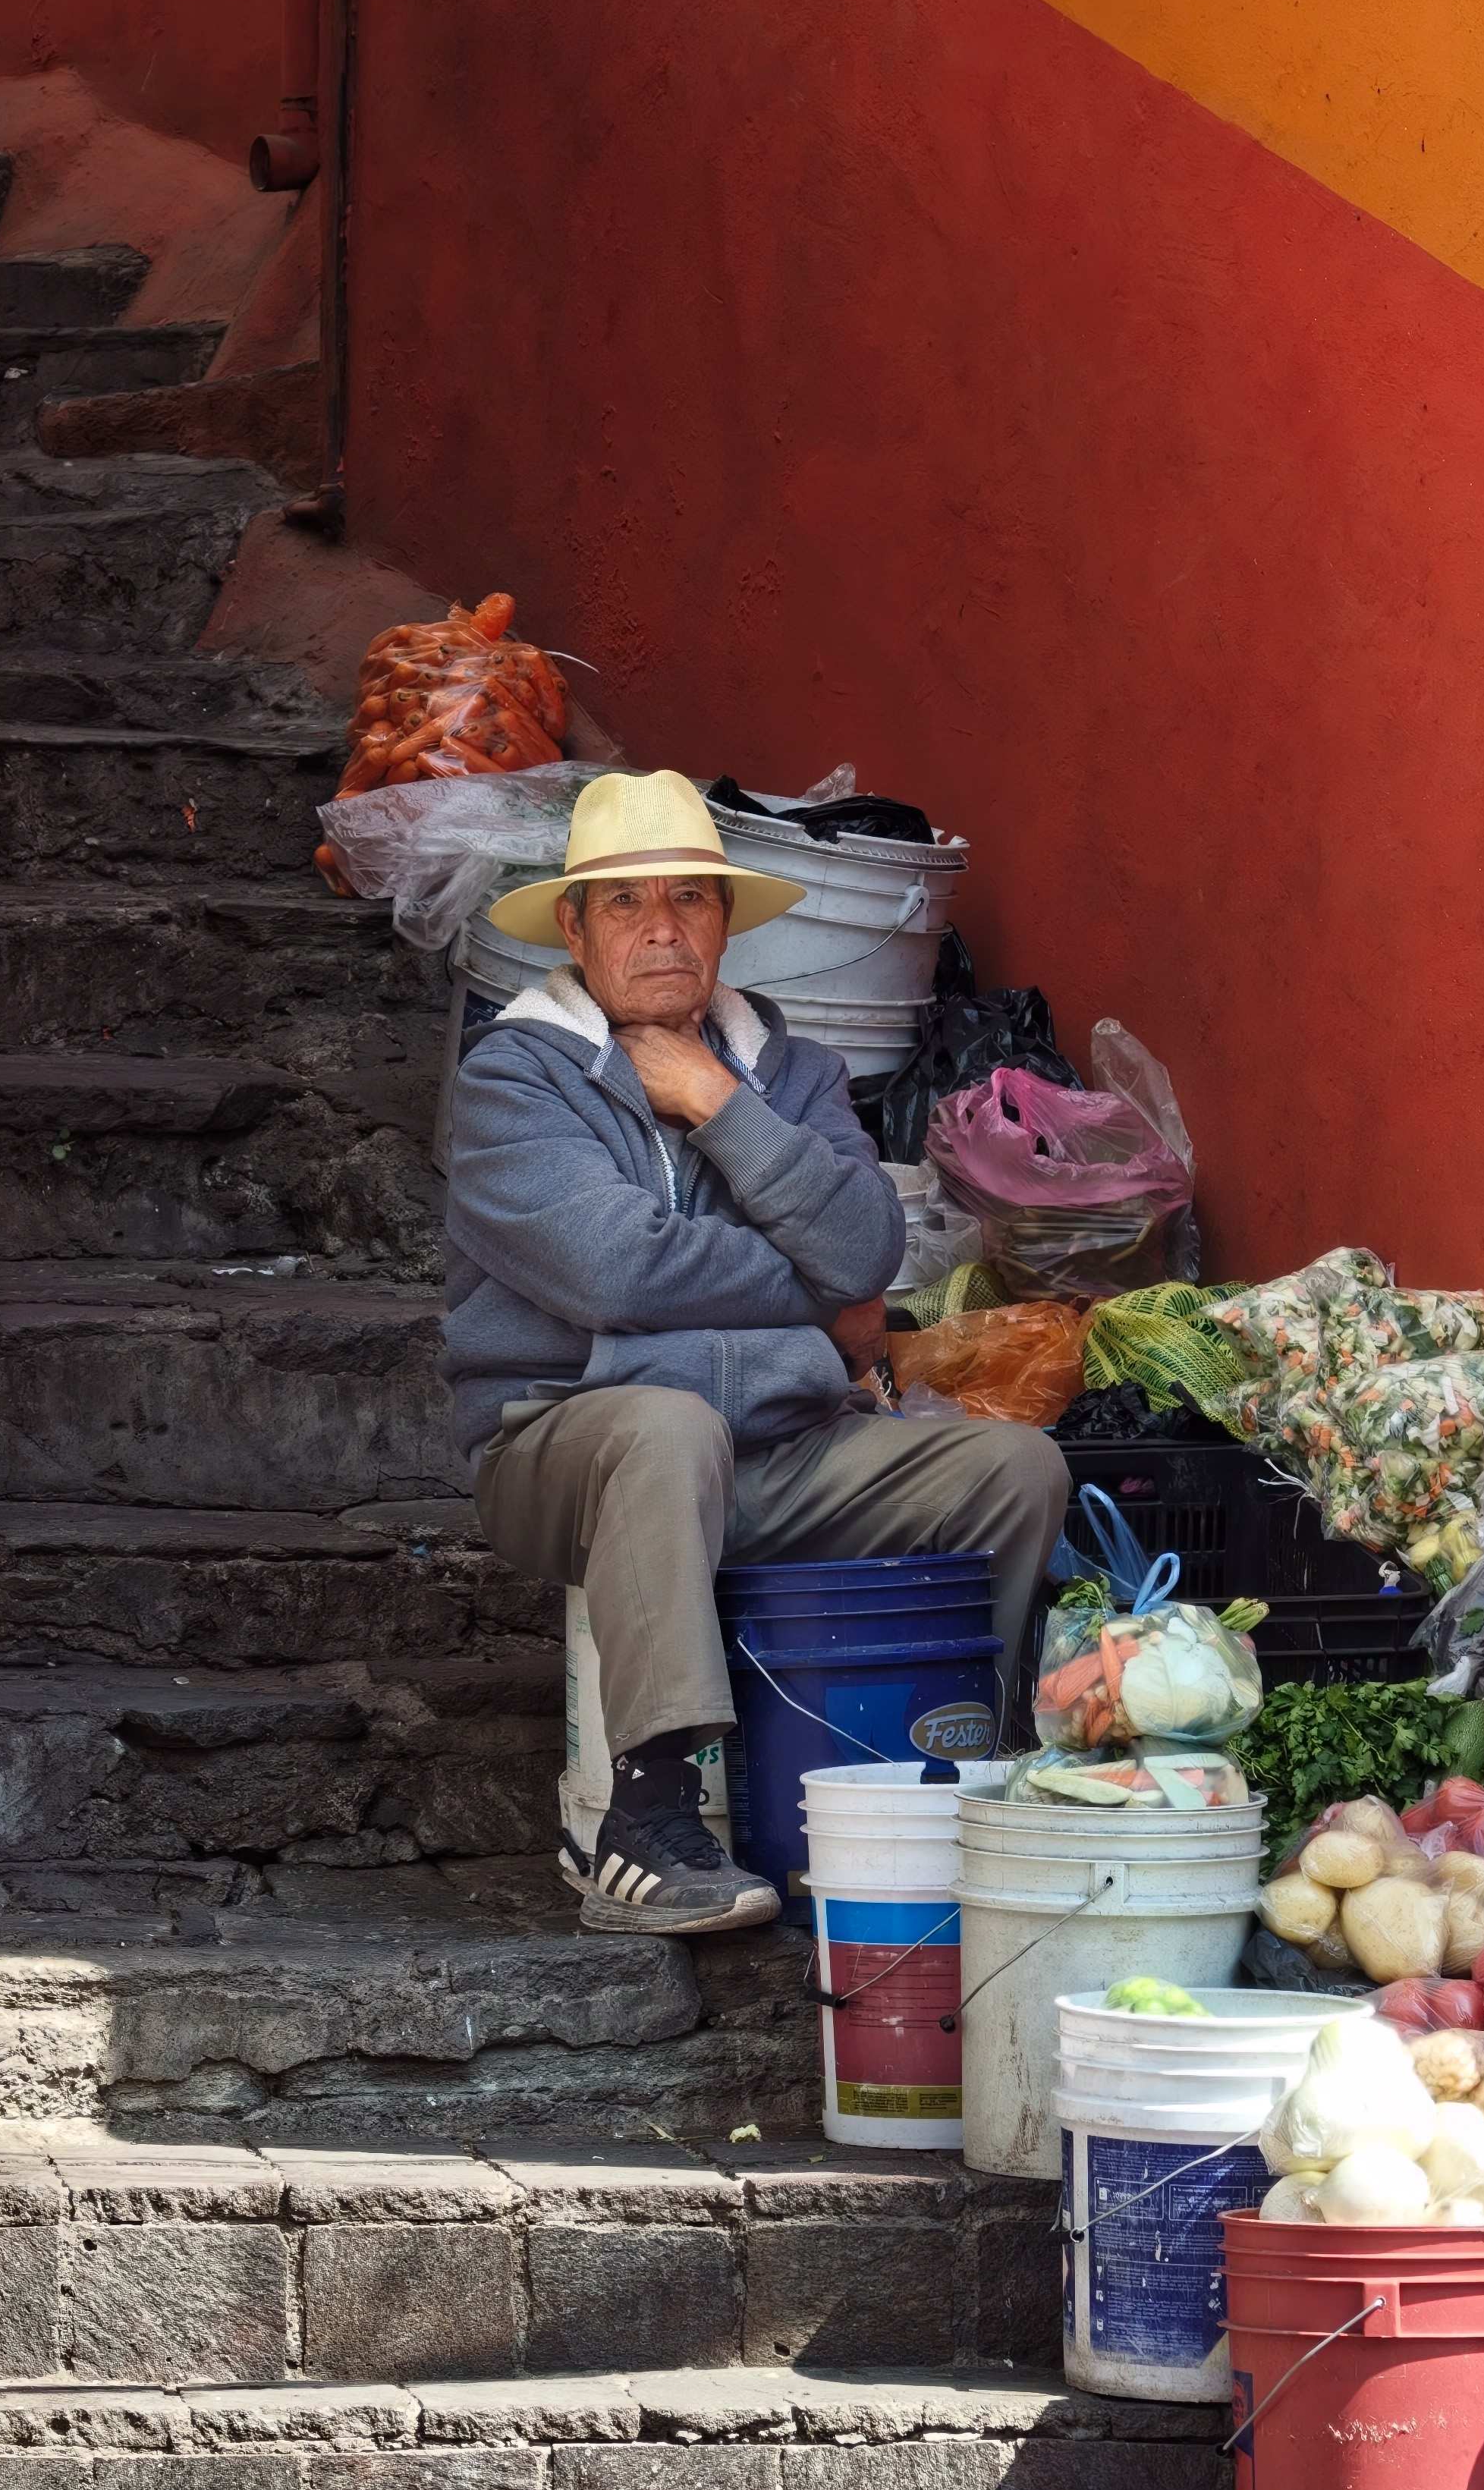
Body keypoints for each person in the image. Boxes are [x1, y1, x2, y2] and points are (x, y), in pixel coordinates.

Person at [443, 768, 1071, 1935]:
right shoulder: (511, 1079)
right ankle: (649, 1820)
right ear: (573, 929)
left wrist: (719, 1102)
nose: (664, 927)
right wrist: (812, 1294)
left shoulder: (791, 1074)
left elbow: (870, 1243)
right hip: (568, 1443)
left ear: (727, 925)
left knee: (1013, 1469)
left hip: (784, 1448)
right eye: (627, 904)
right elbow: (614, 1269)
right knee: (666, 1428)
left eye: (692, 899)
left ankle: (995, 1766)